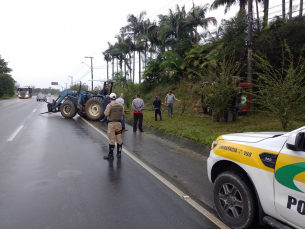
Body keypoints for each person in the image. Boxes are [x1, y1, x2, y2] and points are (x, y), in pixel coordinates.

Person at [103, 93, 125, 159]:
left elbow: (106, 114)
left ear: (110, 98)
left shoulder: (109, 105)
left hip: (112, 124)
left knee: (112, 140)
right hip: (119, 124)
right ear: (115, 98)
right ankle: (119, 154)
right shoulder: (120, 105)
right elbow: (123, 113)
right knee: (119, 139)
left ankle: (111, 155)